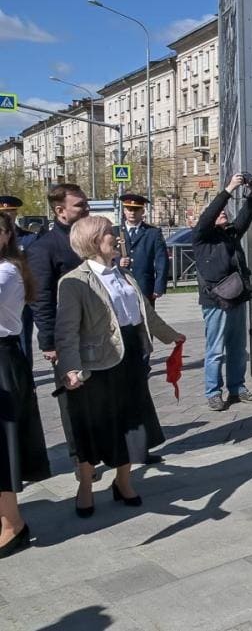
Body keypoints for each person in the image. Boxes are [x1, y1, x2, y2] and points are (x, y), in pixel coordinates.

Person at [55, 216, 185, 517]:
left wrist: (170, 335)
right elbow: (66, 331)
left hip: (130, 359)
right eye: (109, 233)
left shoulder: (125, 276)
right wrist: (70, 368)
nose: (115, 237)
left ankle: (123, 482)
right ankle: (85, 487)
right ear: (93, 241)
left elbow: (145, 315)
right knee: (93, 429)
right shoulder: (75, 281)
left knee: (131, 425)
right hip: (97, 366)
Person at [26, 184, 89, 472]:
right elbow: (41, 298)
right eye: (79, 205)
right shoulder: (45, 247)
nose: (85, 209)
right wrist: (48, 342)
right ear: (60, 210)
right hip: (66, 337)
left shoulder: (87, 240)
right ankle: (80, 457)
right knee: (73, 396)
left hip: (95, 332)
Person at [0, 212, 50, 558]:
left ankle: (12, 524)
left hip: (2, 363)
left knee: (2, 449)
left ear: (6, 236)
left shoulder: (7, 271)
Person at [193, 175, 252, 411]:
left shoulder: (230, 234)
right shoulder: (201, 237)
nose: (223, 213)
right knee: (215, 349)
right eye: (218, 212)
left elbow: (246, 216)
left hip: (237, 297)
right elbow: (209, 214)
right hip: (215, 301)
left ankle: (237, 387)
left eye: (225, 211)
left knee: (237, 347)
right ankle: (213, 392)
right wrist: (229, 188)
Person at [0, 196, 38, 362]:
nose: (8, 216)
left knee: (23, 341)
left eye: (11, 212)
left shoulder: (29, 238)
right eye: (4, 213)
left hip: (20, 298)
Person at [114, 194, 168, 305]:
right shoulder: (114, 231)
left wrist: (159, 287)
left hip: (144, 287)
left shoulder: (153, 233)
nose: (132, 213)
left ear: (142, 211)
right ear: (124, 210)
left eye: (136, 209)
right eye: (129, 209)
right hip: (119, 285)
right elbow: (104, 256)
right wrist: (118, 261)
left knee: (146, 320)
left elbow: (161, 261)